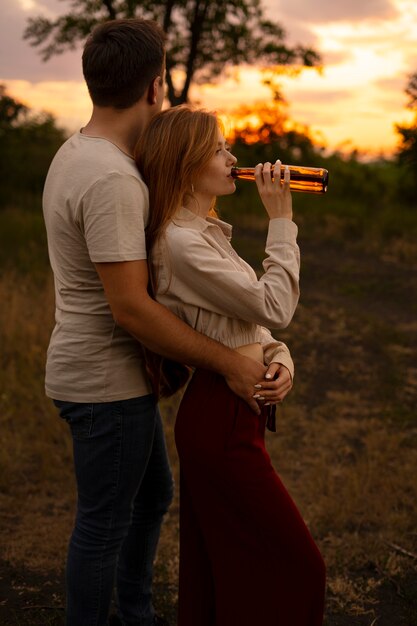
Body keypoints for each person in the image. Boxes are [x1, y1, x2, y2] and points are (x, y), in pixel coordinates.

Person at [42, 18, 293, 626]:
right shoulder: (111, 178)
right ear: (155, 87)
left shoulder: (78, 152)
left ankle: (137, 612)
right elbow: (130, 307)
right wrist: (230, 361)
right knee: (103, 525)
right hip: (105, 381)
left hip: (106, 375)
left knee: (151, 497)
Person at [135, 105, 326, 626]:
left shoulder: (203, 231)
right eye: (220, 149)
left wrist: (280, 357)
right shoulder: (181, 241)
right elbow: (275, 306)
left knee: (219, 570)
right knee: (300, 567)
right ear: (186, 163)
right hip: (218, 418)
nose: (234, 157)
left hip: (229, 410)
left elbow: (250, 325)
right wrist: (282, 219)